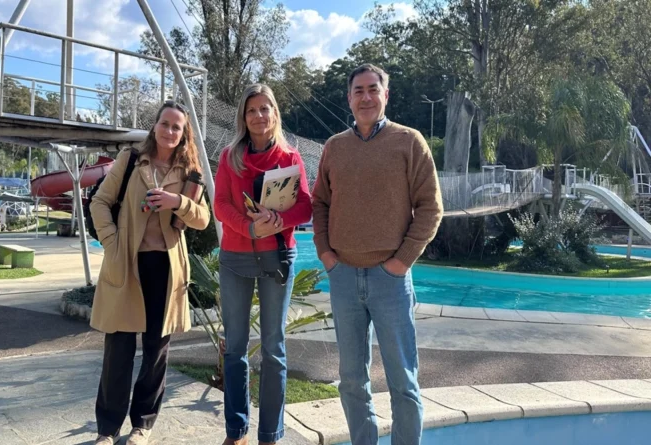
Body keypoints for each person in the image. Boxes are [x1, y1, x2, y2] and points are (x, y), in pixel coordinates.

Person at [311, 64, 443, 445]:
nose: (366, 97)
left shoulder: (409, 142)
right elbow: (320, 203)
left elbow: (431, 207)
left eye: (373, 89)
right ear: (349, 98)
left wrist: (400, 263)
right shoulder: (334, 147)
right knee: (352, 380)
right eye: (358, 91)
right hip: (343, 278)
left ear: (386, 95)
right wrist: (326, 254)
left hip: (391, 281)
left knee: (403, 381)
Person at [89, 101, 211, 445]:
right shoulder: (130, 160)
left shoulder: (189, 171)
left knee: (156, 352)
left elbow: (202, 219)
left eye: (177, 127)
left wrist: (178, 203)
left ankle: (142, 425)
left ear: (183, 134)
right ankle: (107, 430)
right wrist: (111, 242)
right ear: (154, 126)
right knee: (118, 349)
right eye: (165, 123)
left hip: (167, 269)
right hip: (127, 263)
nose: (170, 131)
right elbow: (99, 202)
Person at [214, 84, 313, 445]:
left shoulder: (290, 157)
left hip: (276, 258)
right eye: (252, 109)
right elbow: (221, 205)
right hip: (235, 258)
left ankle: (269, 435)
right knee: (235, 348)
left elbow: (305, 207)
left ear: (275, 113)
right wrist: (250, 228)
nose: (259, 115)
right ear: (244, 116)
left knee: (274, 349)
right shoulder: (230, 157)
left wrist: (279, 220)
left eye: (265, 108)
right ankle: (236, 432)